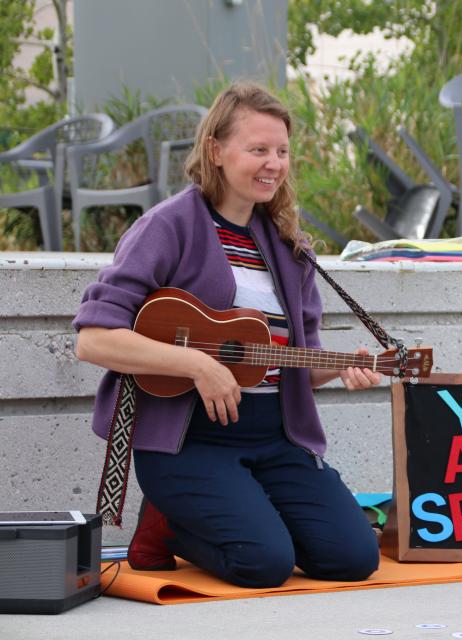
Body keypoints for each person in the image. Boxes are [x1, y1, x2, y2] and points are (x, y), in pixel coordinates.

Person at [73, 81, 382, 588]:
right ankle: (169, 524)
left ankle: (252, 515)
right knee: (263, 565)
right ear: (215, 151)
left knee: (353, 557)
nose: (274, 164)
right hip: (187, 442)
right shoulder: (168, 227)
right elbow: (94, 339)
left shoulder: (289, 248)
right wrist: (198, 365)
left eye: (281, 151)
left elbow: (293, 363)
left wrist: (343, 366)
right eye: (258, 149)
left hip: (274, 440)